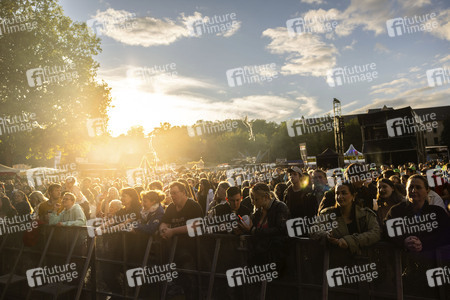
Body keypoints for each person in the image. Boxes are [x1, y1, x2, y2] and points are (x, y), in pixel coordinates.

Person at [159, 182, 203, 300]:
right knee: (179, 282)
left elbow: (196, 225)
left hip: (192, 252)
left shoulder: (193, 206)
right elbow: (164, 221)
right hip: (174, 253)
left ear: (183, 193)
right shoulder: (171, 207)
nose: (172, 196)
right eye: (170, 193)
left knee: (191, 282)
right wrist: (163, 229)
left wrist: (173, 231)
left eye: (175, 193)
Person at [311, 182, 381, 255]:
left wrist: (350, 241)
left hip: (362, 259)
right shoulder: (327, 214)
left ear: (353, 196)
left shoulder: (365, 214)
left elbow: (375, 233)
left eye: (344, 193)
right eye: (337, 193)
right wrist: (326, 235)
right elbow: (314, 230)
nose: (340, 197)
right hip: (335, 260)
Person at [385, 175, 450, 252]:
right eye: (410, 187)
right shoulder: (395, 211)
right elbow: (386, 230)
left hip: (432, 259)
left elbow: (446, 234)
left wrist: (423, 243)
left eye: (418, 187)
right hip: (403, 259)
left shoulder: (437, 212)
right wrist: (404, 241)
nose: (413, 190)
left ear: (427, 191)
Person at [240, 183, 290, 268]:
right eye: (252, 199)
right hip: (258, 257)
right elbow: (252, 228)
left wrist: (254, 230)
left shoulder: (280, 207)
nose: (253, 202)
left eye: (256, 199)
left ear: (266, 197)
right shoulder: (258, 211)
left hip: (275, 257)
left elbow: (281, 229)